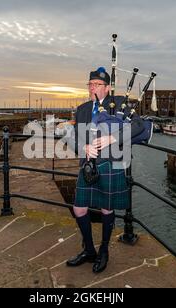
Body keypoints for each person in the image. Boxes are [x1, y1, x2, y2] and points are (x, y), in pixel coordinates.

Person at [66, 67, 144, 274]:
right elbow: (73, 136)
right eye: (90, 84)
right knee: (79, 209)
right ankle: (89, 250)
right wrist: (83, 147)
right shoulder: (82, 109)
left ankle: (103, 251)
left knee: (107, 209)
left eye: (97, 85)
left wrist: (113, 137)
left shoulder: (119, 103)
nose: (92, 88)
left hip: (111, 163)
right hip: (88, 165)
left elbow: (138, 126)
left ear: (107, 87)